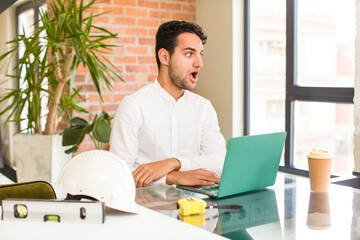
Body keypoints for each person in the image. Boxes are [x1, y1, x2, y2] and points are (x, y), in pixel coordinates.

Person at [109, 20, 226, 188]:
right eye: (189, 54)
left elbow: (219, 161)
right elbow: (119, 173)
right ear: (164, 57)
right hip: (147, 209)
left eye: (200, 54)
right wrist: (173, 178)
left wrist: (174, 163)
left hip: (196, 208)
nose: (199, 63)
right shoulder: (134, 105)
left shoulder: (203, 107)